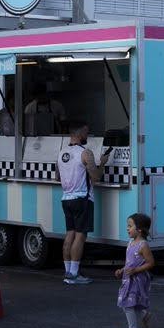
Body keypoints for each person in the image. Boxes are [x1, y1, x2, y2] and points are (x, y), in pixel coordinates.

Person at [59, 120, 111, 284]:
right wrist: (102, 163)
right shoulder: (86, 153)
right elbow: (96, 177)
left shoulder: (61, 153)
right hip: (82, 199)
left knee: (69, 234)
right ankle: (74, 274)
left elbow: (57, 177)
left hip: (66, 198)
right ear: (80, 133)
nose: (87, 135)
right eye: (86, 132)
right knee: (80, 236)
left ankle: (68, 272)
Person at [115, 213, 155, 328]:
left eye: (130, 226)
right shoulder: (130, 243)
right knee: (131, 301)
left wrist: (136, 270)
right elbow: (129, 262)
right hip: (129, 278)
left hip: (138, 279)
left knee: (127, 303)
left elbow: (151, 263)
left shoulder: (143, 245)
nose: (127, 228)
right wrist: (122, 270)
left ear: (139, 229)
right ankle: (144, 314)